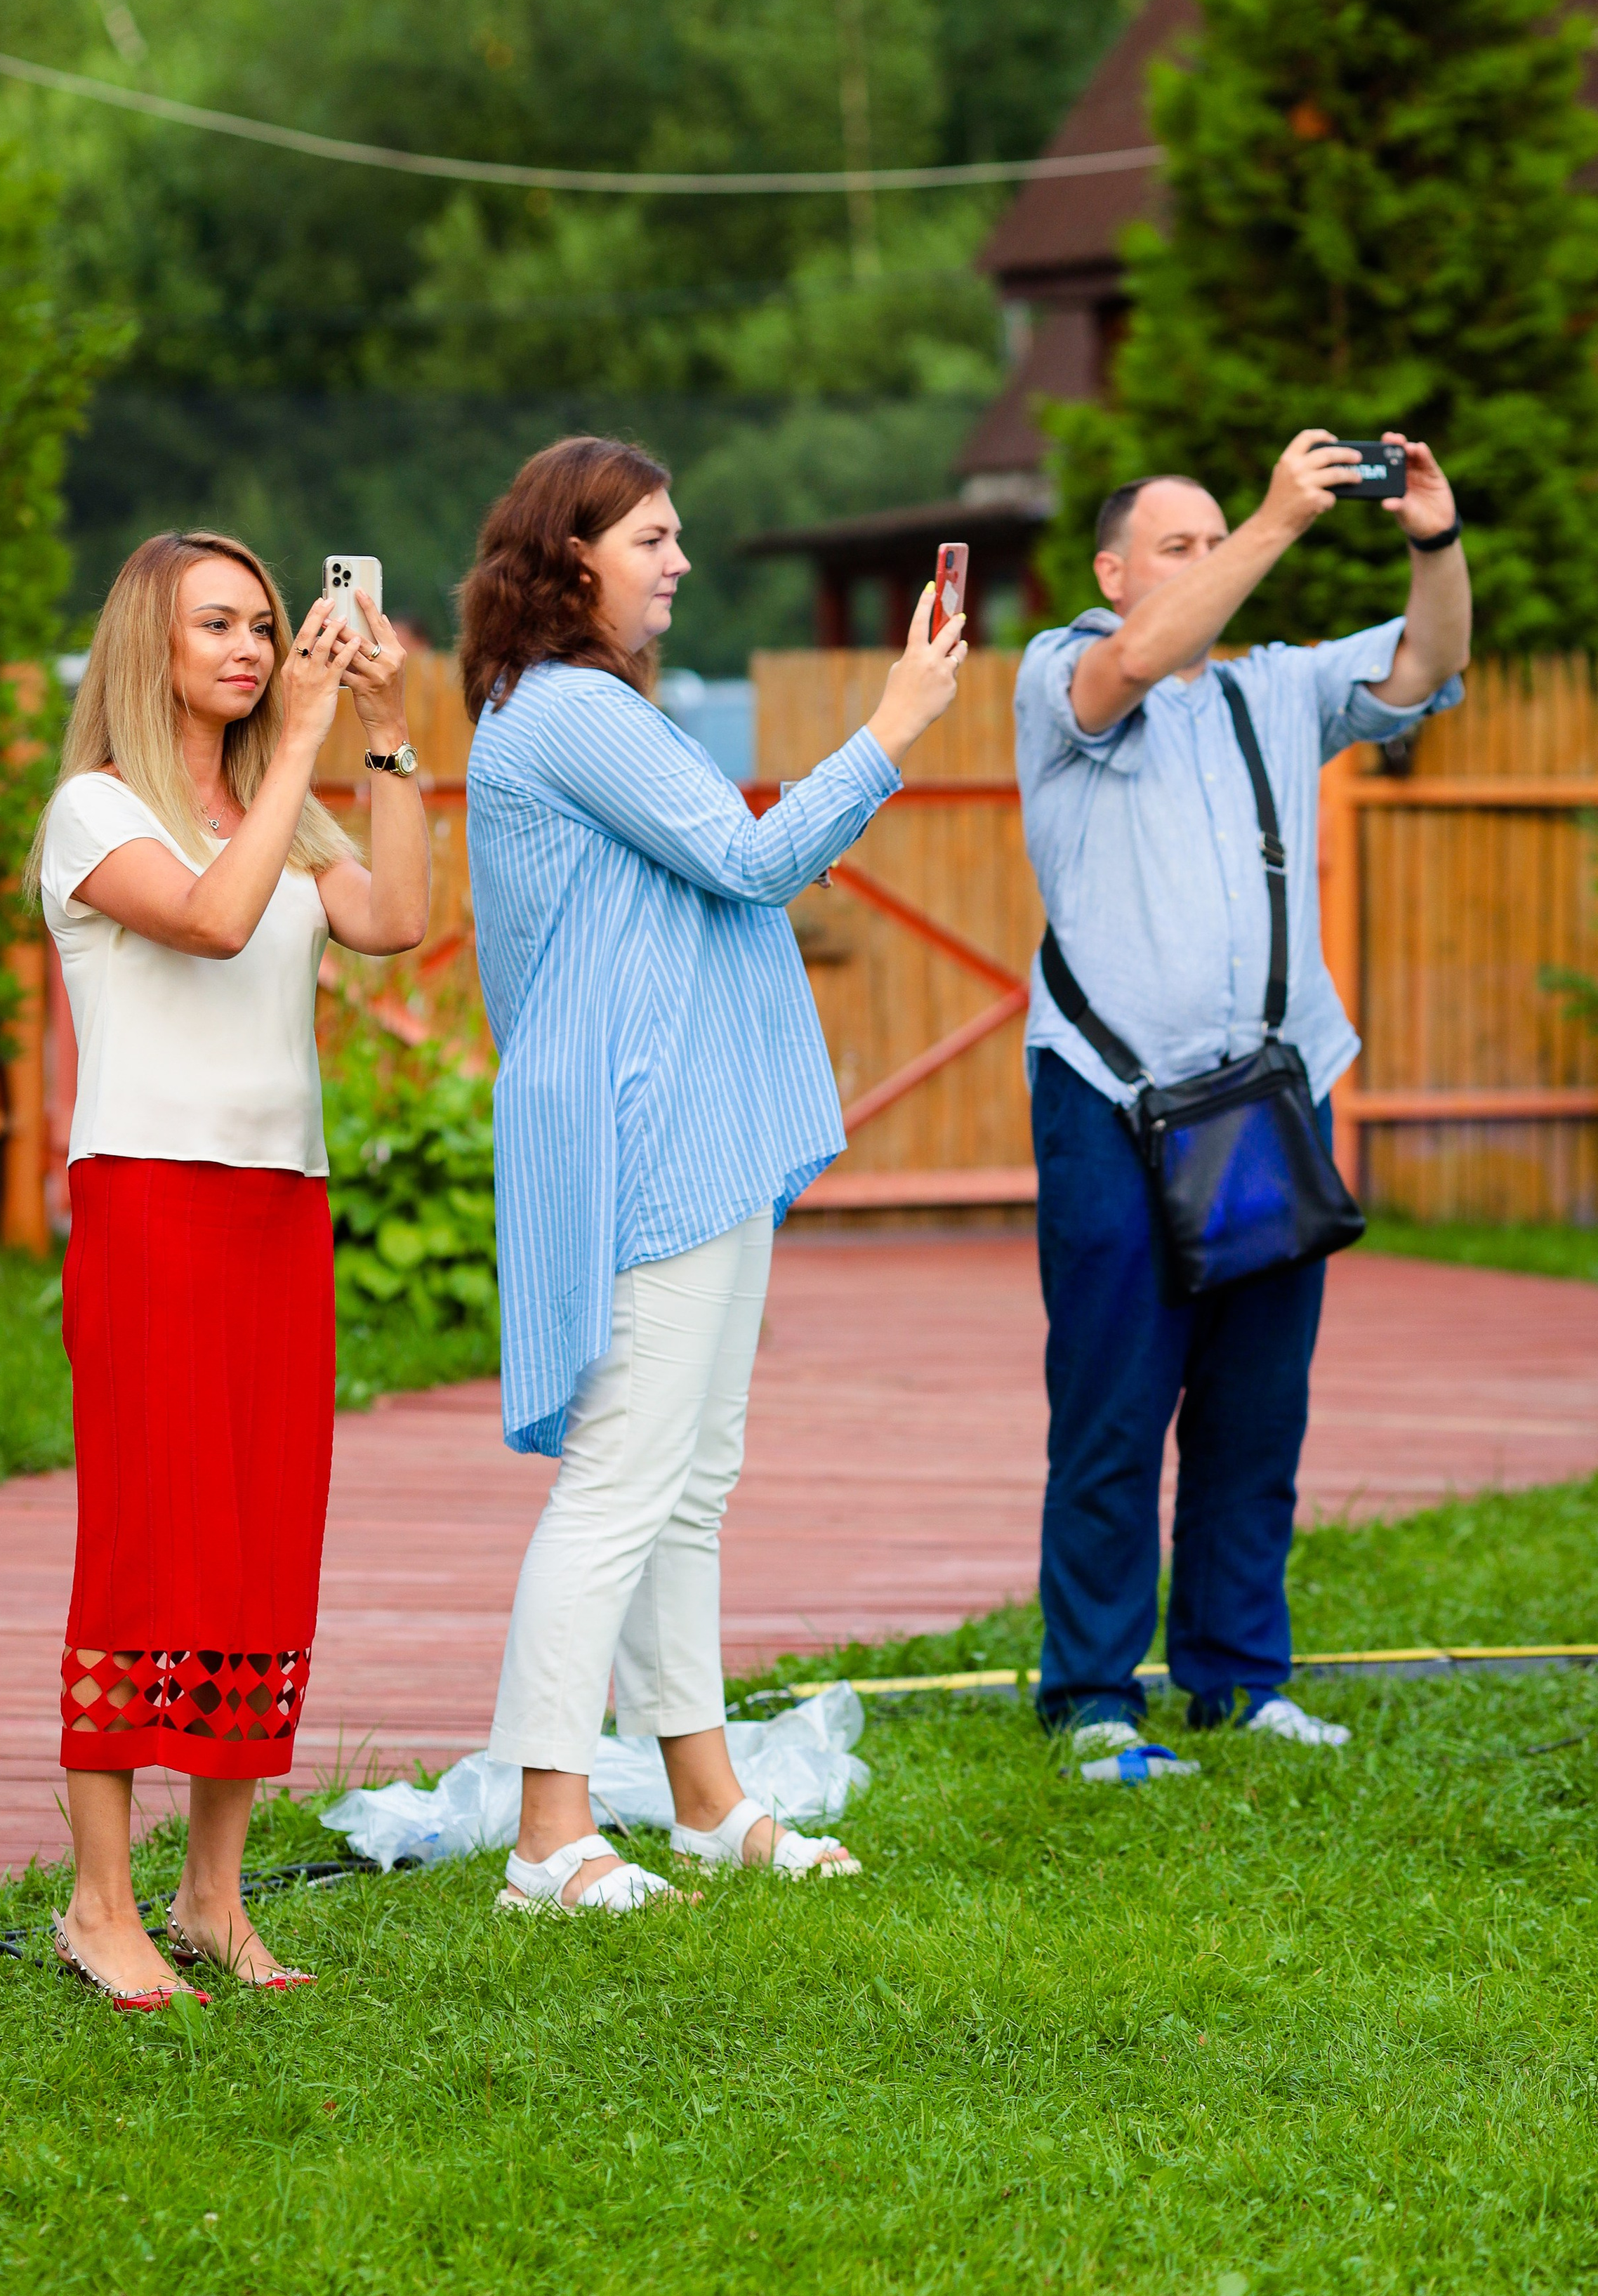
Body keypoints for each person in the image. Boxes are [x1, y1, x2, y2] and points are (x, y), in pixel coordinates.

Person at [461, 437, 965, 1913]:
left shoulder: (598, 707)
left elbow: (709, 871)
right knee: (624, 1478)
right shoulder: (567, 711)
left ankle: (705, 1804)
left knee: (687, 1484)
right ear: (572, 560)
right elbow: (749, 863)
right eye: (652, 538)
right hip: (645, 1132)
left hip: (697, 1124)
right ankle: (548, 1838)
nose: (679, 560)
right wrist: (893, 725)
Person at [1016, 432, 1469, 1760]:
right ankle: (1094, 1699)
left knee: (1257, 1410)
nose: (1212, 559)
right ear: (1112, 571)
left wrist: (1434, 541)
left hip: (1269, 1098)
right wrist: (1276, 521)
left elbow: (1429, 662)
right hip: (1109, 1097)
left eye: (1221, 541)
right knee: (1113, 1407)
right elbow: (1133, 664)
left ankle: (1236, 1681)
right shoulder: (1060, 673)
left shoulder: (1278, 685)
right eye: (1181, 545)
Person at [24, 529, 429, 2006]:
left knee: (261, 1539)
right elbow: (209, 921)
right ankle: (98, 1905)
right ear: (151, 644)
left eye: (265, 623)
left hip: (279, 1210)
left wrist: (386, 732)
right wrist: (302, 749)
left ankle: (211, 1895)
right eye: (218, 625)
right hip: (151, 1207)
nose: (255, 648)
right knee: (151, 1538)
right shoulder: (94, 810)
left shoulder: (279, 813)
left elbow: (395, 919)